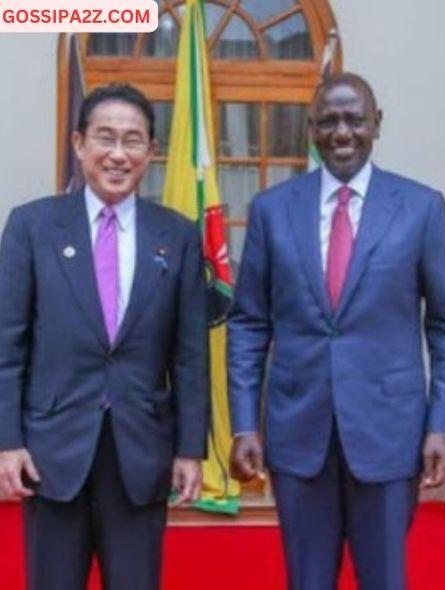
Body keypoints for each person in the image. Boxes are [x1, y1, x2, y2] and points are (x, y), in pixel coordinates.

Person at [226, 72, 445, 590]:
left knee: (383, 578)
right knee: (307, 580)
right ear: (311, 127)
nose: (343, 132)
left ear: (376, 124)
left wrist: (441, 425)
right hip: (297, 433)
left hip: (389, 434)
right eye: (330, 120)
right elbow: (248, 323)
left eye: (355, 119)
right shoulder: (271, 211)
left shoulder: (420, 208)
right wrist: (246, 424)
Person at [0, 83, 209, 590]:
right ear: (79, 144)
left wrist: (189, 449)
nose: (118, 154)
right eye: (105, 138)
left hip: (140, 454)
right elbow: (8, 344)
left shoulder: (177, 236)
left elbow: (189, 355)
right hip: (52, 454)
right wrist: (8, 442)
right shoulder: (32, 227)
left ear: (150, 152)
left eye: (133, 140)